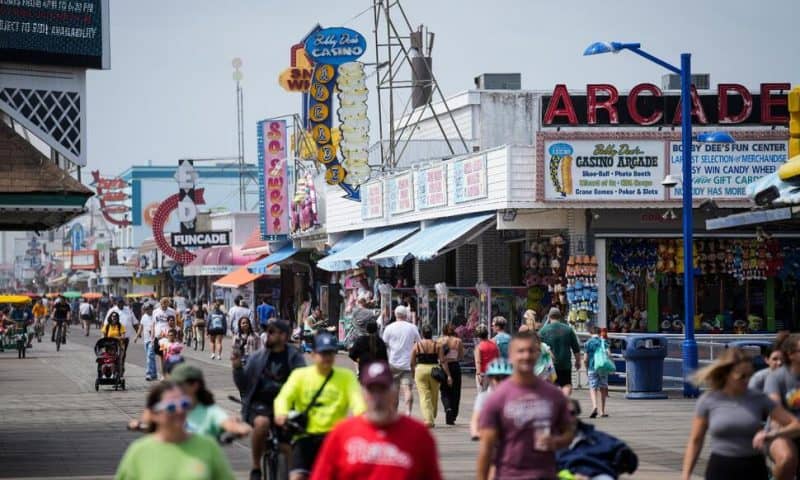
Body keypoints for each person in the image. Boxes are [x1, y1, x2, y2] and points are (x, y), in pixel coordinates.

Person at [309, 360, 444, 480]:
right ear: (362, 394)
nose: (377, 398)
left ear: (393, 393)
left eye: (383, 390)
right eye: (371, 390)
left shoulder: (419, 435)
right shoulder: (341, 434)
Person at [682, 348, 800, 480]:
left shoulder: (759, 399)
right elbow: (695, 440)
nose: (747, 380)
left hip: (753, 468)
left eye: (750, 375)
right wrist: (686, 474)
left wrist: (772, 434)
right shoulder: (708, 400)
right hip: (720, 467)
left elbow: (795, 425)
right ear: (726, 374)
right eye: (741, 376)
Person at [477, 331, 575, 480]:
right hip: (509, 475)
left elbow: (569, 432)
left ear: (538, 354)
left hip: (545, 475)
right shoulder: (497, 398)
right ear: (510, 355)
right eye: (520, 351)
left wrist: (556, 441)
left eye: (531, 351)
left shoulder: (554, 395)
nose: (526, 356)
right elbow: (486, 449)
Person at [274, 333, 366, 480]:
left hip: (334, 438)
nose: (327, 357)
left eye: (330, 353)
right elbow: (284, 397)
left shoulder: (346, 377)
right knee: (297, 477)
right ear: (313, 354)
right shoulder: (300, 375)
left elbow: (358, 401)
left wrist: (362, 418)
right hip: (305, 437)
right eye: (323, 353)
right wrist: (281, 413)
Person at [115, 381, 236, 480]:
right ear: (154, 414)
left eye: (184, 404)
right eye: (171, 407)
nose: (180, 411)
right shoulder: (139, 452)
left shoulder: (208, 446)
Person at [232, 319, 305, 480]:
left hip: (288, 405)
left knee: (290, 446)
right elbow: (243, 386)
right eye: (267, 332)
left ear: (284, 336)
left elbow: (305, 381)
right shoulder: (257, 357)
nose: (267, 336)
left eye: (272, 332)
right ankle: (256, 466)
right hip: (260, 404)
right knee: (262, 423)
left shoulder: (294, 357)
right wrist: (237, 368)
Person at [556, 399, 639, 479]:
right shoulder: (548, 440)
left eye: (572, 413)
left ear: (577, 415)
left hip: (597, 474)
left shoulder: (597, 438)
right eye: (563, 413)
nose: (568, 417)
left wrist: (623, 458)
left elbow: (627, 458)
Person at [170, 364, 251, 439]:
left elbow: (226, 422)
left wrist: (238, 427)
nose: (175, 388)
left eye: (179, 384)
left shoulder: (210, 412)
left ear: (195, 385)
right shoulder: (170, 408)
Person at [764, 333, 800, 479]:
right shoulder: (776, 378)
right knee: (787, 459)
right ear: (791, 355)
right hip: (782, 432)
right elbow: (775, 414)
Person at [382, 305, 420, 416]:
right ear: (406, 315)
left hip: (392, 362)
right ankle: (408, 411)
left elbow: (384, 344)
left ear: (395, 314)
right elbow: (418, 342)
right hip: (407, 363)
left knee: (394, 391)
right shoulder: (412, 327)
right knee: (407, 389)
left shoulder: (389, 328)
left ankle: (394, 412)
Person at [411, 323, 450, 428]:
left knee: (424, 396)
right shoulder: (437, 345)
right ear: (432, 334)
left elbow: (412, 362)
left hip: (420, 370)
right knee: (434, 394)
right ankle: (431, 416)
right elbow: (442, 361)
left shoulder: (417, 345)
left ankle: (428, 418)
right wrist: (448, 375)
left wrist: (413, 372)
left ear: (422, 334)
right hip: (434, 370)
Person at [539, 307, 581, 396]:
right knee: (566, 386)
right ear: (560, 317)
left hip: (549, 366)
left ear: (549, 317)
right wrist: (578, 361)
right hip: (565, 365)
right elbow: (575, 348)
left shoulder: (543, 331)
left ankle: (554, 405)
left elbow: (538, 347)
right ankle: (564, 403)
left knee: (551, 388)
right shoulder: (568, 330)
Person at [470, 358, 512, 441]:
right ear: (490, 379)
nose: (501, 381)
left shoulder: (515, 395)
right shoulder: (484, 397)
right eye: (497, 378)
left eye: (505, 378)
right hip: (491, 435)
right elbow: (475, 419)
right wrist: (475, 432)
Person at [438, 322, 464, 425]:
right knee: (456, 391)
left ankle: (447, 408)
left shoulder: (439, 341)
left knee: (444, 391)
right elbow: (461, 356)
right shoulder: (458, 341)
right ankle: (453, 414)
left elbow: (438, 356)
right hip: (454, 366)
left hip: (444, 366)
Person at [584, 326, 611, 418]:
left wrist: (586, 368)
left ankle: (595, 406)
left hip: (592, 367)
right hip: (603, 368)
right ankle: (602, 411)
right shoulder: (603, 342)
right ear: (599, 333)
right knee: (603, 388)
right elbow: (609, 354)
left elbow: (585, 359)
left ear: (590, 333)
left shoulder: (588, 343)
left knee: (593, 387)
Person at [134, 303, 158, 381]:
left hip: (153, 340)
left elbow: (158, 326)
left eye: (148, 309)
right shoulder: (144, 316)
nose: (147, 311)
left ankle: (149, 374)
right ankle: (154, 374)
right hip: (146, 340)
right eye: (146, 309)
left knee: (149, 356)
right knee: (151, 358)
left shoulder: (155, 316)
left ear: (152, 309)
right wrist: (136, 337)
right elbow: (141, 327)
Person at [474, 324, 499, 392]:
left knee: (482, 394)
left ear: (478, 337)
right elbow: (497, 359)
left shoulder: (478, 347)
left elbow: (478, 362)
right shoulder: (494, 345)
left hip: (482, 373)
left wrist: (478, 374)